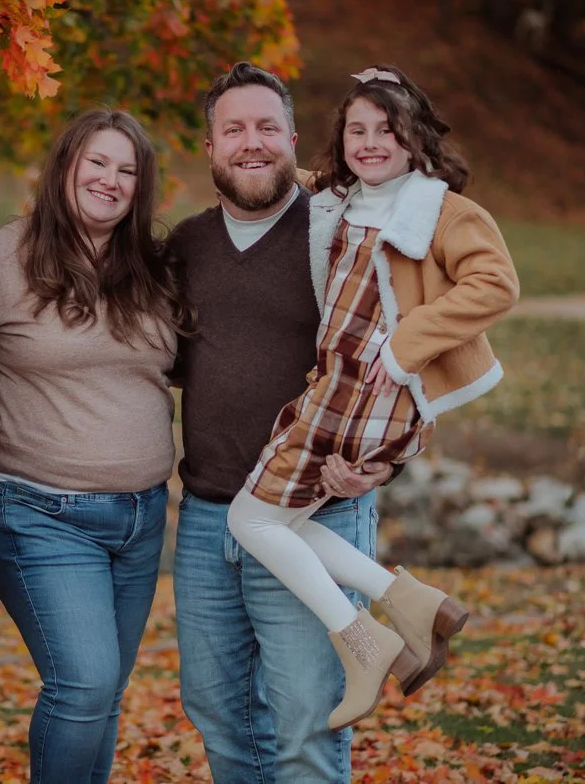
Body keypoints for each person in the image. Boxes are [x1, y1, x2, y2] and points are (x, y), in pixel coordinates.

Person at [226, 65, 520, 731]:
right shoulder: (344, 199)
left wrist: (404, 344)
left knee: (251, 522)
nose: (370, 143)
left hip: (371, 389)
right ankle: (411, 602)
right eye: (356, 130)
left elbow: (496, 284)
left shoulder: (440, 209)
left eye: (386, 130)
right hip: (338, 383)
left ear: (416, 138)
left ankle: (366, 643)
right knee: (278, 522)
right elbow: (289, 179)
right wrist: (255, 149)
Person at [168, 61, 396, 784]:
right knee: (220, 715)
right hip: (207, 521)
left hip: (311, 512)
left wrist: (385, 458)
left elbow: (406, 360)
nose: (252, 142)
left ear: (293, 140)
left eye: (267, 127)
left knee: (306, 727)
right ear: (210, 146)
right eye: (233, 129)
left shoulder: (340, 233)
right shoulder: (185, 247)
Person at [0, 109, 192, 784]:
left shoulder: (155, 269)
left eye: (128, 171)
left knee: (105, 693)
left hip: (141, 517)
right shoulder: (3, 258)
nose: (111, 180)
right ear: (65, 166)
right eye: (97, 162)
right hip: (36, 511)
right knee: (85, 684)